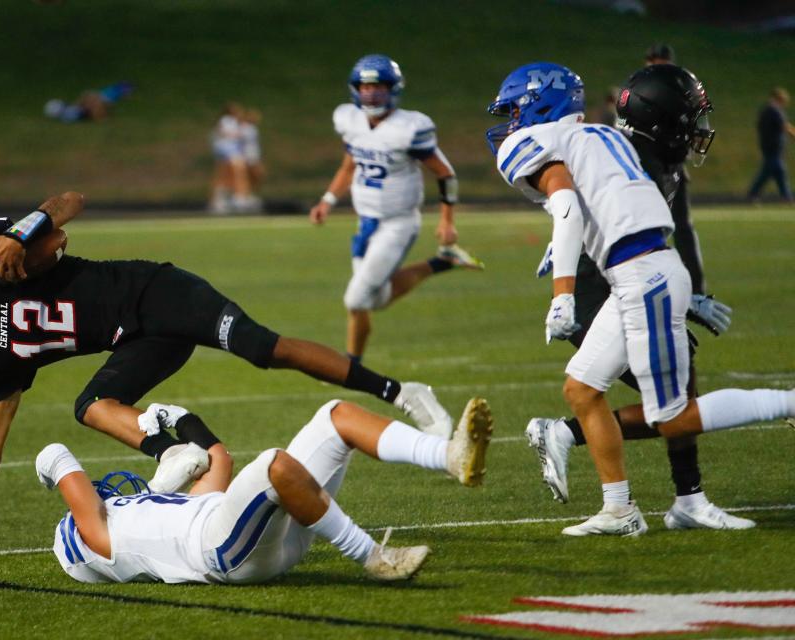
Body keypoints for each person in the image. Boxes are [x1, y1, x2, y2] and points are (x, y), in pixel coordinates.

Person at [0, 191, 456, 560]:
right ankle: (168, 452)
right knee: (90, 404)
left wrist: (24, 234)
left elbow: (67, 212)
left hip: (154, 293)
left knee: (266, 349)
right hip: (136, 341)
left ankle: (400, 390)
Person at [486, 61, 795, 536]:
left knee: (674, 417)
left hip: (640, 278)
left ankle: (789, 403)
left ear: (535, 106)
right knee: (582, 389)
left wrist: (563, 295)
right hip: (645, 271)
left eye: (513, 111)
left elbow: (567, 207)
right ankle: (620, 510)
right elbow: (612, 207)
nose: (509, 124)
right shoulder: (604, 137)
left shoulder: (540, 144)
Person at [37, 396, 493, 584]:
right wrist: (47, 470)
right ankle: (374, 557)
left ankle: (447, 456)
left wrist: (179, 418)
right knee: (275, 464)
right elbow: (58, 457)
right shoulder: (99, 538)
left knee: (335, 416)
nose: (108, 493)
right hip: (224, 551)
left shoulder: (156, 521)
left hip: (249, 533)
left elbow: (218, 459)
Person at [309, 54, 484, 364]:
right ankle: (443, 262)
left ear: (393, 90)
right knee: (374, 298)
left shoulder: (409, 128)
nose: (371, 94)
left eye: (379, 87)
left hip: (398, 223)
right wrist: (328, 200)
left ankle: (352, 366)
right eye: (365, 87)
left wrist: (447, 221)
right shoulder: (350, 121)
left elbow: (445, 173)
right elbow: (349, 166)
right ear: (355, 90)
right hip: (366, 223)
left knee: (356, 298)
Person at [209, 103, 260, 214]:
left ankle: (232, 198)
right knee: (236, 172)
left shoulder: (236, 123)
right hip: (228, 151)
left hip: (231, 151)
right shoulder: (227, 120)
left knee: (226, 176)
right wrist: (238, 134)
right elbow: (226, 133)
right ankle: (239, 198)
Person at [747, 87, 795, 203]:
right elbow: (785, 126)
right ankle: (786, 196)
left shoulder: (765, 111)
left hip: (768, 146)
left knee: (771, 172)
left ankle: (754, 194)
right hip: (773, 147)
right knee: (778, 170)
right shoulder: (775, 111)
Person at [43, 81, 134, 123]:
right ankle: (122, 88)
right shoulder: (69, 116)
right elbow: (84, 112)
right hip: (88, 112)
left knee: (89, 95)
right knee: (93, 97)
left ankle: (120, 88)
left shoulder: (66, 115)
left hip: (86, 110)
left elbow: (79, 107)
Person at [241, 108, 266, 194]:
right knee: (251, 174)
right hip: (247, 154)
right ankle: (245, 192)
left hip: (253, 154)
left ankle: (249, 192)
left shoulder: (252, 127)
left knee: (256, 175)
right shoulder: (244, 127)